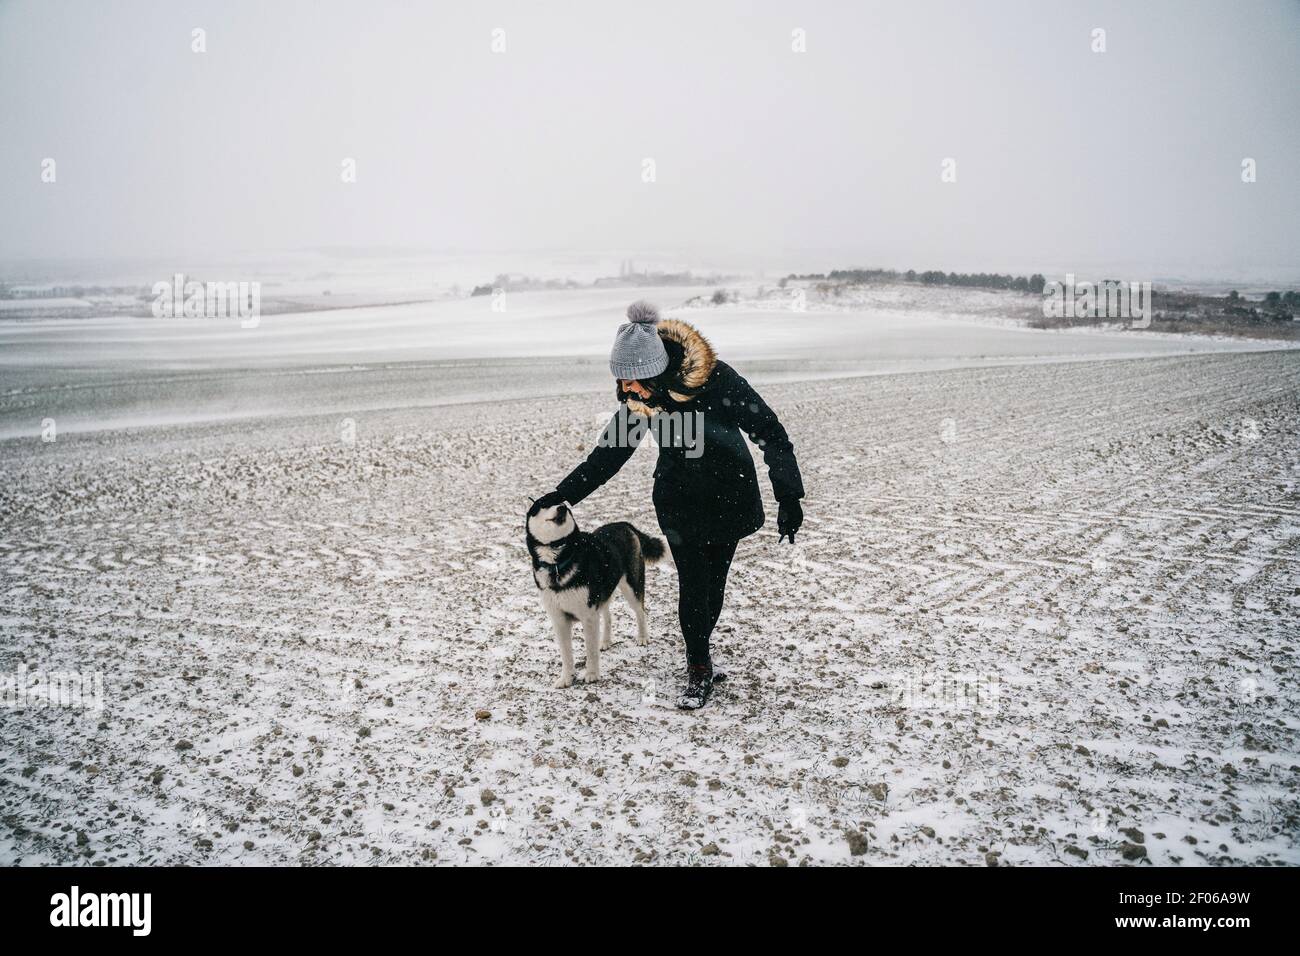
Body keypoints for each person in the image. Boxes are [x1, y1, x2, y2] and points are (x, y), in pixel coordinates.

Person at [535, 301, 805, 709]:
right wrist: (562, 494)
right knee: (693, 585)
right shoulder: (642, 399)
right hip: (679, 503)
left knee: (713, 586)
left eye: (633, 382)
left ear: (656, 371)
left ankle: (701, 650)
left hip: (730, 497)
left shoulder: (718, 381)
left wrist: (788, 494)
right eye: (620, 382)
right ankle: (698, 666)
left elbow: (769, 431)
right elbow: (607, 455)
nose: (627, 391)